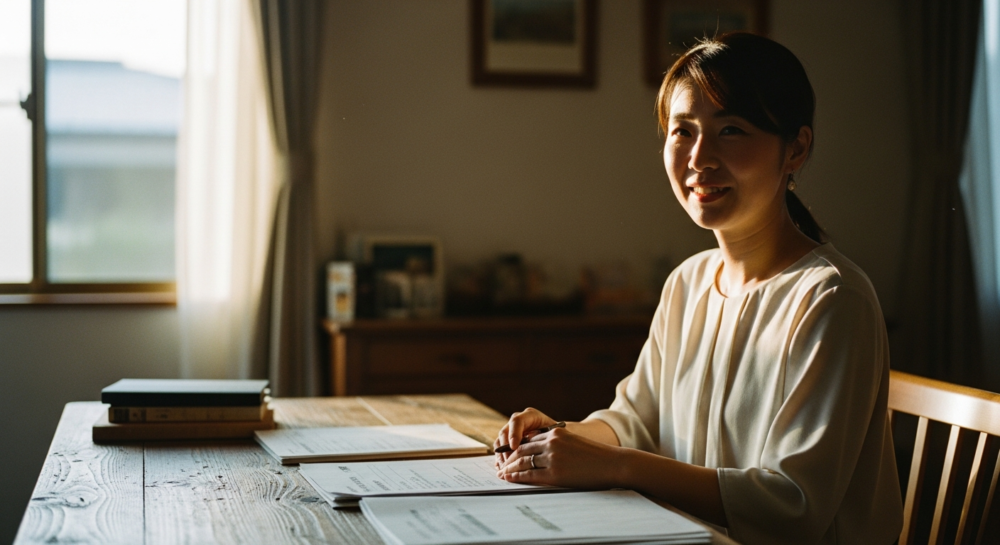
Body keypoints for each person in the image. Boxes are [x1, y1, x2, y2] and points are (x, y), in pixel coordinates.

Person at [494, 32, 903, 545]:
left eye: (731, 130)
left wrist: (617, 466)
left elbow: (793, 506)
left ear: (796, 149)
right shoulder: (688, 281)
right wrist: (563, 437)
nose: (699, 158)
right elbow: (636, 420)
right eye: (682, 131)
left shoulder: (831, 298)